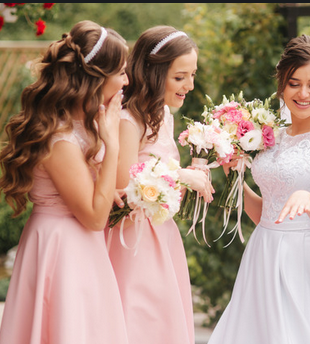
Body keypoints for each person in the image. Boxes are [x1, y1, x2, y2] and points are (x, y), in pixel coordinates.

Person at [207, 34, 310, 344]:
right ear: (281, 85)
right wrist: (234, 180)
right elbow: (265, 213)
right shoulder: (270, 135)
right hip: (264, 252)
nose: (303, 93)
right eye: (294, 83)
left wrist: (307, 199)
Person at [0, 20, 129, 344]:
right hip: (61, 248)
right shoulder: (61, 140)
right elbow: (95, 218)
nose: (128, 80)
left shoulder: (84, 125)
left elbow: (101, 189)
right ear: (96, 78)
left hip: (81, 246)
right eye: (122, 72)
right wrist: (112, 143)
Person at [105, 26, 213, 344]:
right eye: (180, 77)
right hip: (131, 238)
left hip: (161, 234)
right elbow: (123, 185)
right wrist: (181, 176)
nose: (189, 86)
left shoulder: (163, 115)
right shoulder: (128, 119)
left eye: (191, 76)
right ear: (154, 72)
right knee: (138, 321)